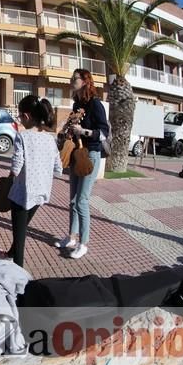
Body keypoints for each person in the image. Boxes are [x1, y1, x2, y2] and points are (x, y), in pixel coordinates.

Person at [0, 95, 62, 267]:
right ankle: (8, 254)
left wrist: (9, 179)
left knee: (20, 235)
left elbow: (17, 163)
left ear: (27, 116)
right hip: (41, 193)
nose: (19, 119)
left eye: (19, 115)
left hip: (22, 194)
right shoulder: (50, 138)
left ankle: (18, 274)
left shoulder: (22, 136)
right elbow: (58, 168)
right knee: (21, 229)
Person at [54, 68, 109, 260]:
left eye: (75, 78)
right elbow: (73, 127)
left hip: (90, 155)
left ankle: (83, 244)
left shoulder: (95, 104)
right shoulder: (77, 104)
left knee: (82, 201)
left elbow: (104, 133)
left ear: (85, 81)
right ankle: (71, 237)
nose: (71, 81)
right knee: (72, 200)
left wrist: (83, 131)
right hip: (77, 154)